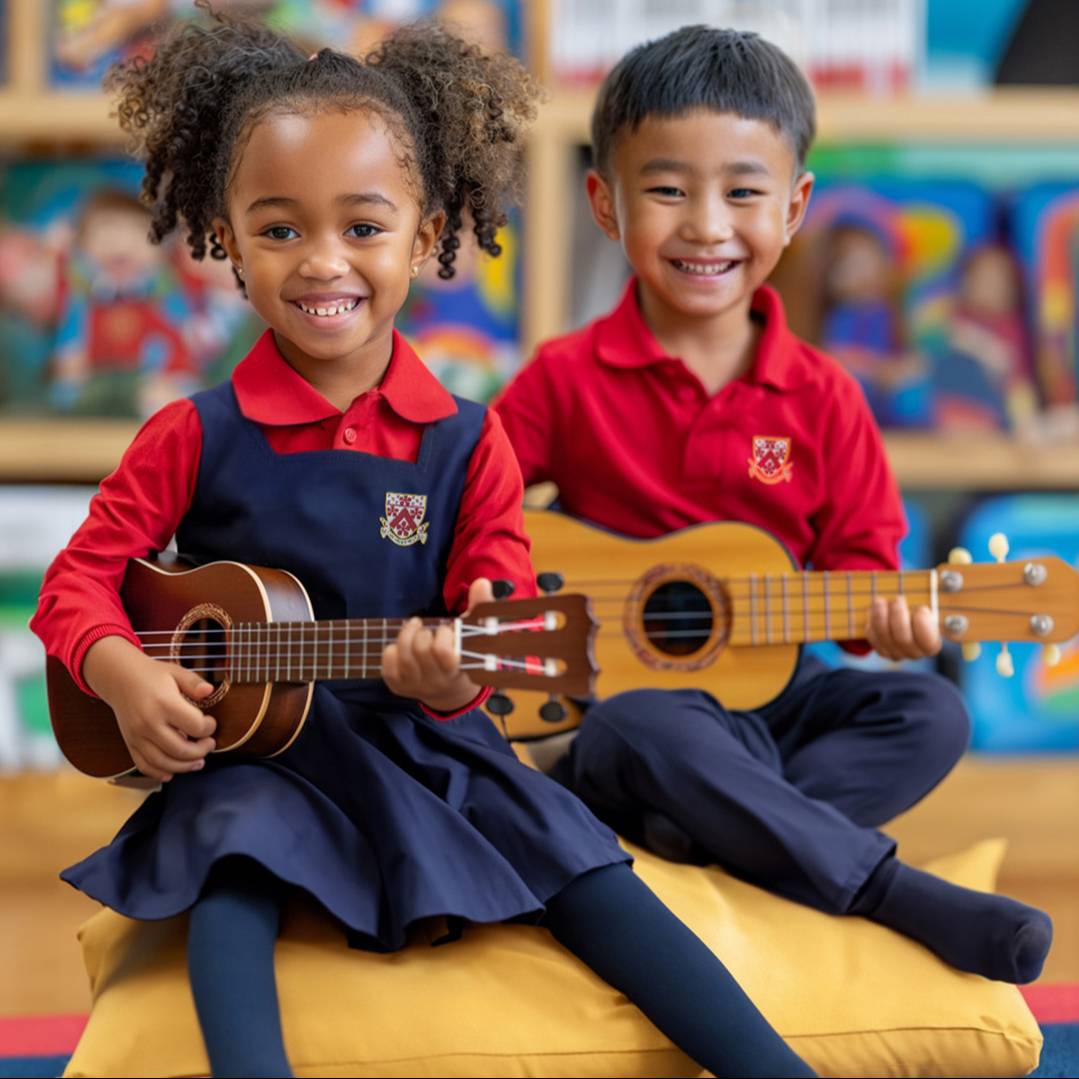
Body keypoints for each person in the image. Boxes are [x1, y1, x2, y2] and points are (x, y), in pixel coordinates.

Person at [32, 9, 815, 1078]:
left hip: (417, 738)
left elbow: (493, 599)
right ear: (222, 233)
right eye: (278, 228)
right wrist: (121, 670)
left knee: (581, 859)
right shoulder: (193, 431)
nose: (321, 264)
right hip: (252, 751)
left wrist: (455, 674)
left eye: (362, 227)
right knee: (231, 857)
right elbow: (78, 577)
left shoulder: (465, 438)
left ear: (429, 228)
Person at [494, 25, 1052, 987]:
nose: (707, 226)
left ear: (793, 208)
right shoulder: (563, 379)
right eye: (667, 190)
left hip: (764, 708)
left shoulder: (823, 396)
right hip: (630, 726)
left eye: (742, 193)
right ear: (604, 202)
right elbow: (480, 513)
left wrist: (896, 624)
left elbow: (862, 572)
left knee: (929, 715)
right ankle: (883, 891)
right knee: (646, 725)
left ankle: (702, 837)